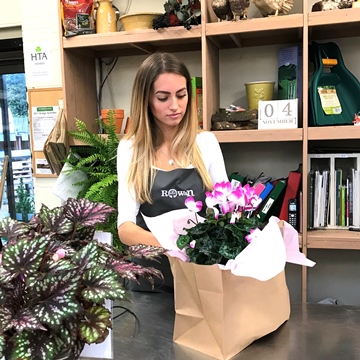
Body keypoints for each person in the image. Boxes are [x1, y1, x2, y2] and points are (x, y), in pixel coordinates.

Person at [117, 52, 228, 291]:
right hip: (149, 280)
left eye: (181, 95)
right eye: (163, 98)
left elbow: (225, 210)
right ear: (146, 99)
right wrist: (175, 245)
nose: (175, 106)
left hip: (199, 278)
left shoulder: (205, 143)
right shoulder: (130, 149)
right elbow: (125, 228)